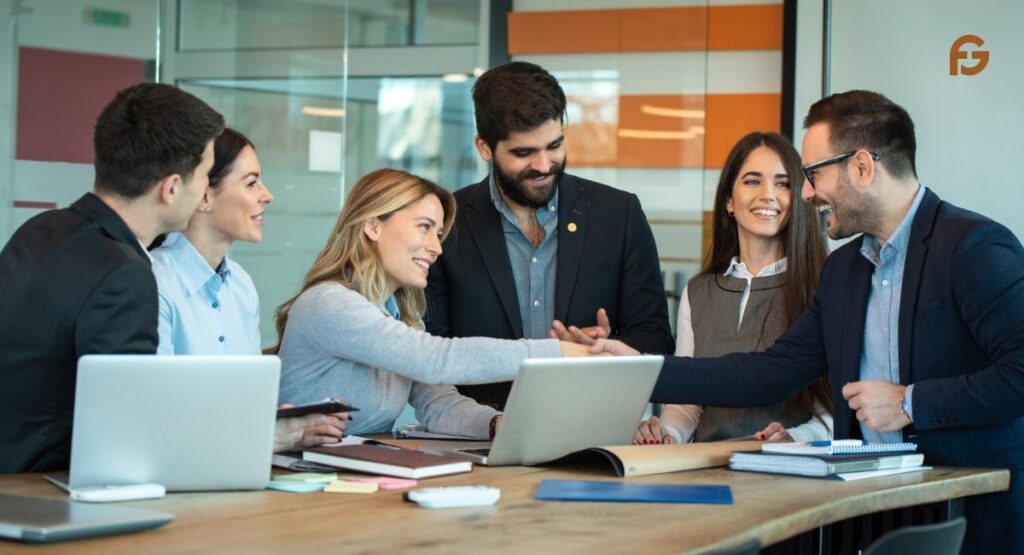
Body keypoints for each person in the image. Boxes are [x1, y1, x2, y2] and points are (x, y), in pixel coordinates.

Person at [592, 90, 1024, 554]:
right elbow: (767, 372)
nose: (805, 193)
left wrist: (911, 402)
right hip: (872, 515)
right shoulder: (845, 272)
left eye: (813, 174)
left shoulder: (974, 248)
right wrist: (638, 368)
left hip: (972, 517)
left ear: (861, 167)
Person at [0, 83, 224, 473]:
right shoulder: (124, 274)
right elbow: (124, 432)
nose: (207, 190)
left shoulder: (39, 230)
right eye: (206, 175)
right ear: (171, 188)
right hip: (50, 497)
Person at [425, 61, 673, 409]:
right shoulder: (447, 222)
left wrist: (607, 347)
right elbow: (430, 348)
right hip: (478, 435)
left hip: (594, 427)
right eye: (523, 153)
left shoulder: (619, 215)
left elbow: (657, 336)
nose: (544, 165)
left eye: (554, 145)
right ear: (484, 147)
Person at [275, 168, 588, 438]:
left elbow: (438, 402)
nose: (437, 248)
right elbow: (435, 359)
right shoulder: (330, 304)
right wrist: (557, 352)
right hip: (298, 483)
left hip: (351, 478)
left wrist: (497, 425)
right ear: (373, 226)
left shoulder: (399, 320)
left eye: (438, 234)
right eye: (424, 227)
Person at [150, 128, 348, 452]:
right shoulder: (152, 282)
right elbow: (155, 419)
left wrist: (292, 427)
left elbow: (242, 407)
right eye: (251, 183)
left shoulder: (240, 285)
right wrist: (270, 435)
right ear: (203, 196)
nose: (267, 195)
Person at [634, 132, 832, 445]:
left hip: (792, 474)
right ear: (729, 199)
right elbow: (688, 401)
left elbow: (834, 408)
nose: (768, 194)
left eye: (782, 183)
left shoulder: (824, 286)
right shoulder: (698, 292)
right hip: (705, 473)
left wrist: (795, 437)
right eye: (753, 181)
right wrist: (667, 434)